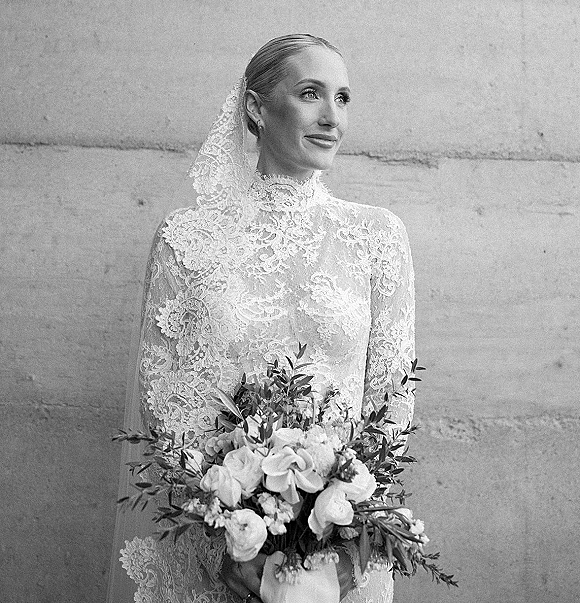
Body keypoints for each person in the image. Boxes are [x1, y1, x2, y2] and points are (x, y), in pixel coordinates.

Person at [106, 35, 415, 603]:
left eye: (342, 98)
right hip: (218, 551)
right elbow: (165, 402)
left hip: (345, 554)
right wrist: (228, 534)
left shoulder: (377, 238)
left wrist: (352, 535)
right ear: (255, 107)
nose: (331, 118)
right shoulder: (187, 238)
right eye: (309, 94)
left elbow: (391, 401)